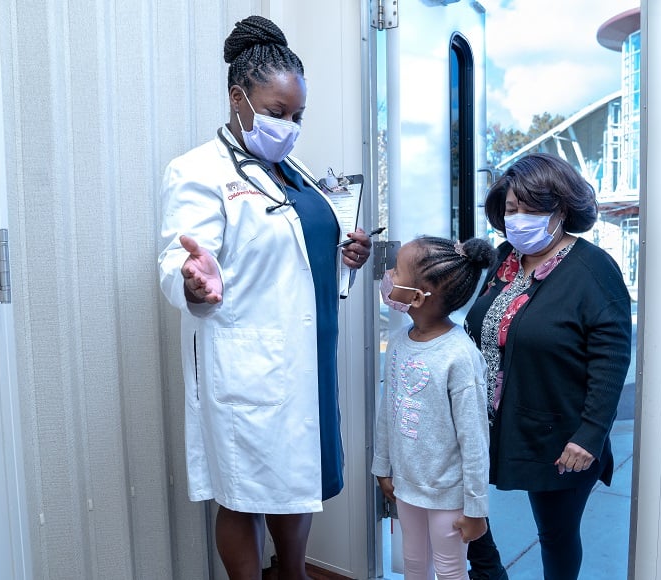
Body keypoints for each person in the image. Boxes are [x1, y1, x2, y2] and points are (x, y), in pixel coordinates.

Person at [157, 15, 372, 580]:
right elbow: (178, 258)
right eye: (278, 113)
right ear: (239, 98)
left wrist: (344, 254)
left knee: (299, 481)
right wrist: (191, 281)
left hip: (309, 359)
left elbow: (298, 253)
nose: (290, 125)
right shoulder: (197, 171)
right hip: (249, 364)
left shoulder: (290, 169)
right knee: (245, 490)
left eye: (297, 115)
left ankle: (293, 573)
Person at [464, 153, 632, 580]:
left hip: (562, 435)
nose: (518, 219)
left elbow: (611, 358)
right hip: (491, 424)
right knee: (467, 511)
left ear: (560, 210)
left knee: (555, 534)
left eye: (531, 209)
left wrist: (589, 436)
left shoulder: (592, 268)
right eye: (511, 210)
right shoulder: (506, 259)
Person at [372, 236, 496, 580]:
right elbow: (388, 411)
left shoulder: (460, 356)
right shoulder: (398, 343)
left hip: (448, 494)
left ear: (418, 295)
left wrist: (476, 508)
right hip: (407, 486)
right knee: (413, 563)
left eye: (396, 270)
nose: (388, 274)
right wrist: (383, 465)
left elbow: (474, 440)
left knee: (450, 569)